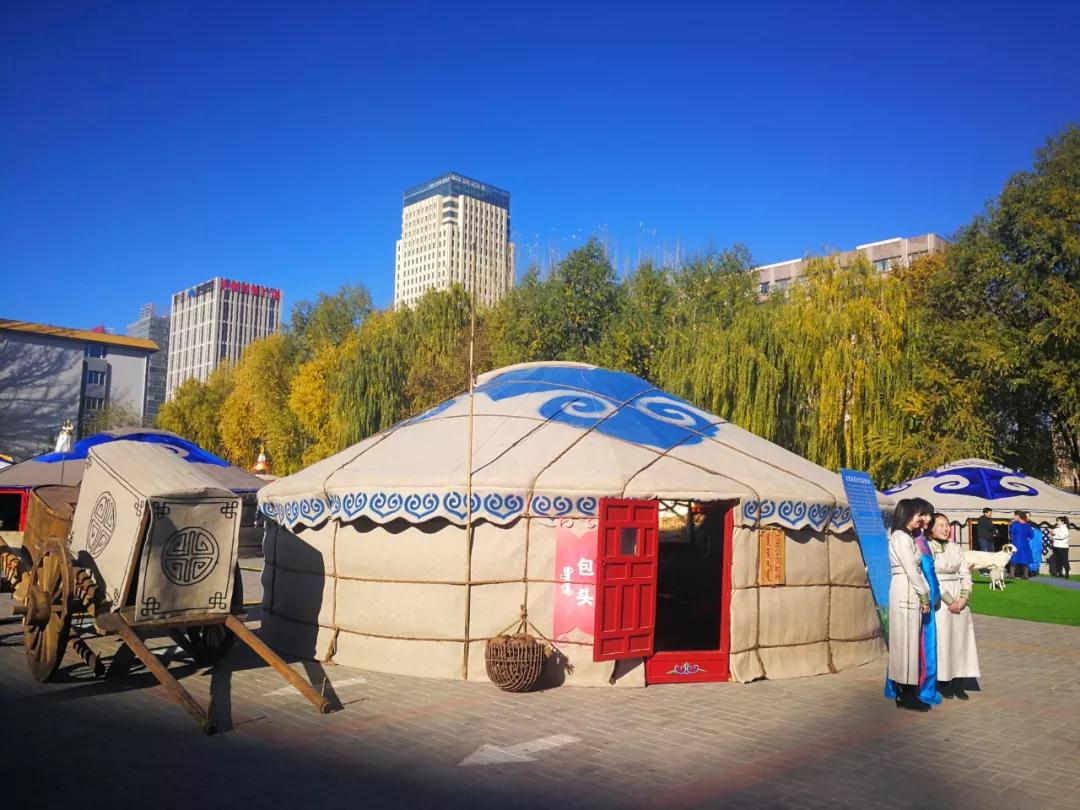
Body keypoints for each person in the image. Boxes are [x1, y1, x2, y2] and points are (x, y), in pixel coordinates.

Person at [884, 497, 941, 712]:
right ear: (907, 514)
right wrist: (924, 595)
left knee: (909, 642)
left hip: (909, 589)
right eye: (919, 515)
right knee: (906, 642)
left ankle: (906, 690)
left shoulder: (907, 537)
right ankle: (905, 693)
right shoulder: (900, 537)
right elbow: (911, 569)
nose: (922, 519)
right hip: (906, 589)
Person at [927, 513, 980, 699]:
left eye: (947, 524)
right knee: (944, 639)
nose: (945, 528)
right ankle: (944, 682)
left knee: (961, 639)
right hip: (940, 597)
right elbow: (930, 576)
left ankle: (959, 682)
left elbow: (965, 573)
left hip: (959, 593)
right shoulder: (926, 548)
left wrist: (963, 598)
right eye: (940, 525)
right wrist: (949, 601)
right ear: (931, 528)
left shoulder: (956, 548)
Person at [1008, 511, 1034, 579]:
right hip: (1025, 544)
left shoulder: (1015, 524)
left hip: (1016, 544)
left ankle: (1011, 575)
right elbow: (1032, 535)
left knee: (1013, 559)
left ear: (1019, 517)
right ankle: (1026, 575)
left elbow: (1011, 531)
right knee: (1025, 559)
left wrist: (1010, 525)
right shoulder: (1028, 525)